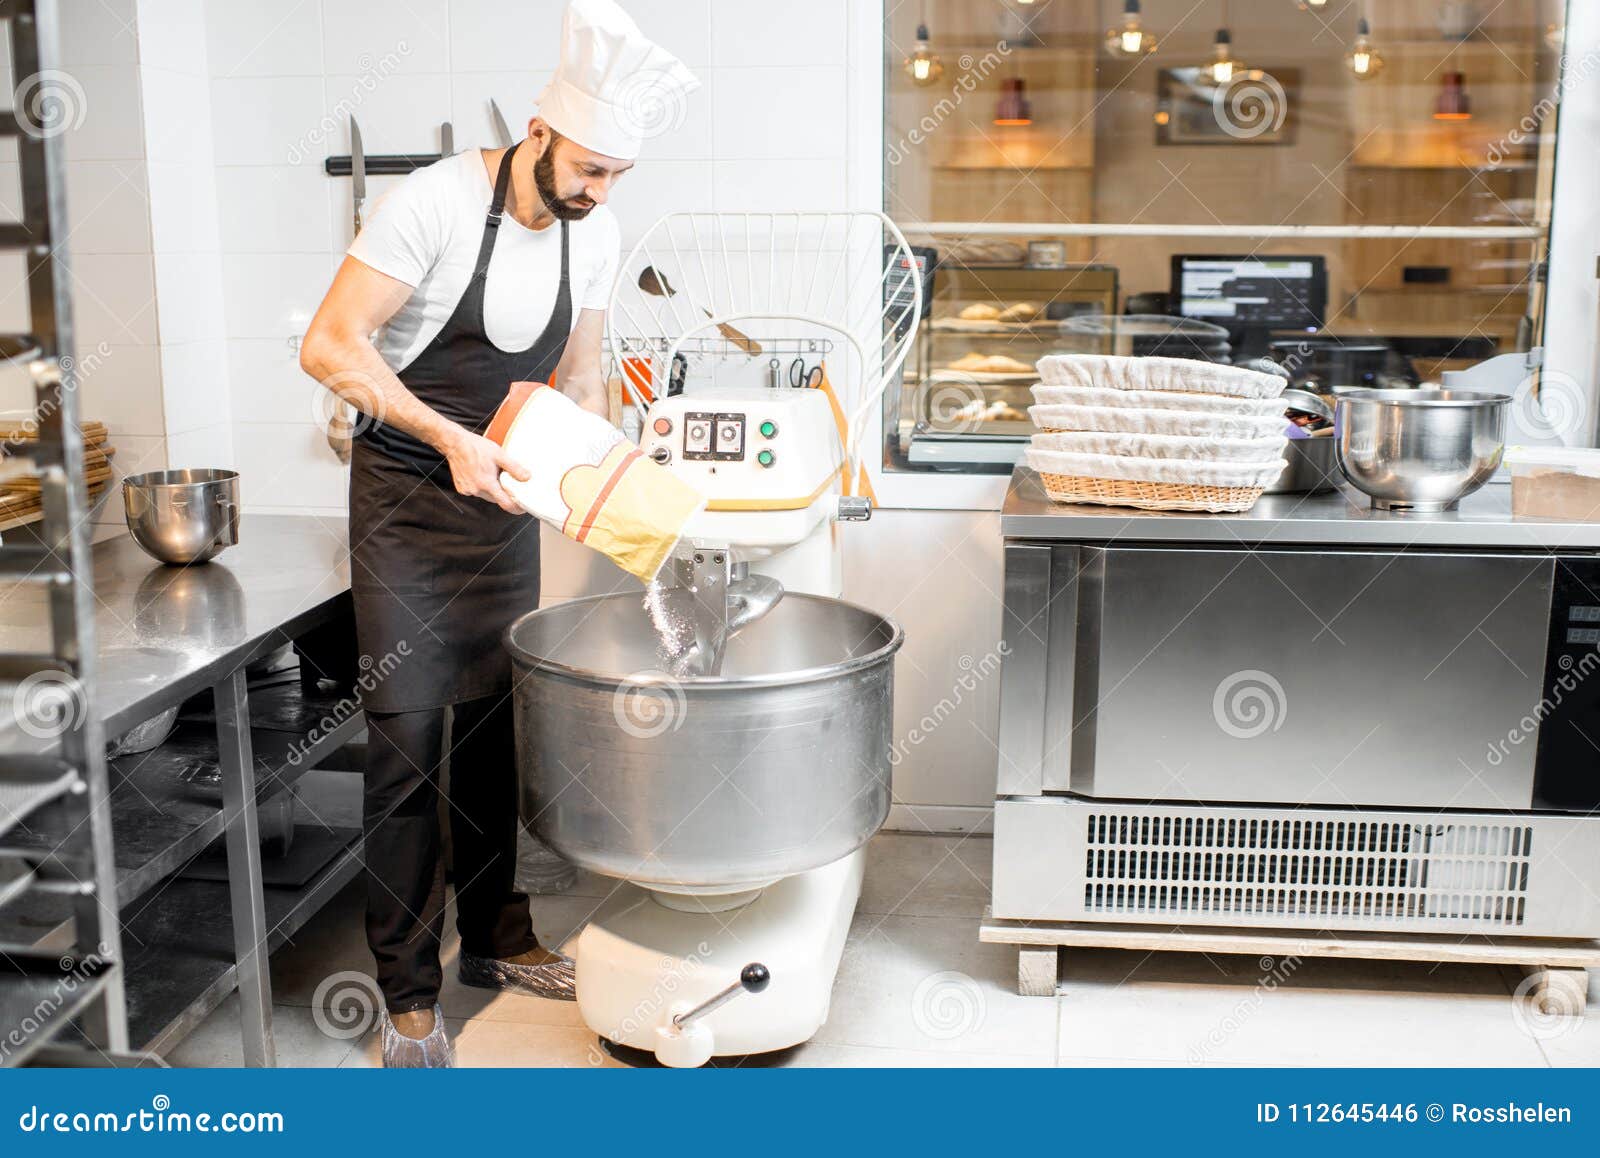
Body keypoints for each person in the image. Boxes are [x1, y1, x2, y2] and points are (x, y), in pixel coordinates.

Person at [298, 0, 698, 1067]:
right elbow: (329, 346)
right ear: (537, 132)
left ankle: (498, 940)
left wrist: (615, 477)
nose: (600, 194)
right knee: (409, 746)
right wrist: (449, 439)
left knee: (490, 736)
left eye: (617, 176)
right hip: (409, 507)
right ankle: (406, 995)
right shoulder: (428, 204)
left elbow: (576, 382)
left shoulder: (594, 231)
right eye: (589, 170)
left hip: (502, 509)